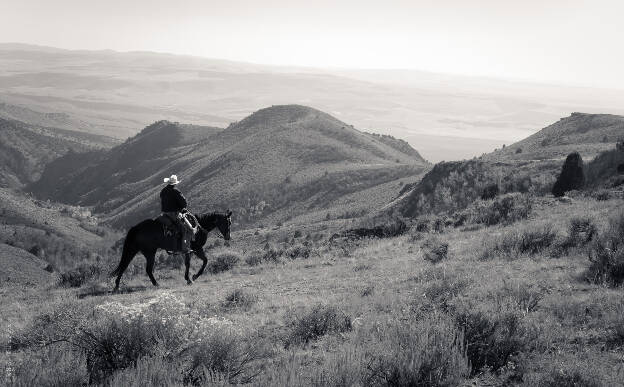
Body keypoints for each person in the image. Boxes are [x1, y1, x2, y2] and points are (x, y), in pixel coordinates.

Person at [160, 174, 192, 252]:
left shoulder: (163, 191)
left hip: (164, 214)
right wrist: (180, 207)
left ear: (168, 183)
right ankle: (184, 248)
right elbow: (184, 203)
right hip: (174, 214)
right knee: (185, 229)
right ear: (175, 183)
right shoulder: (176, 191)